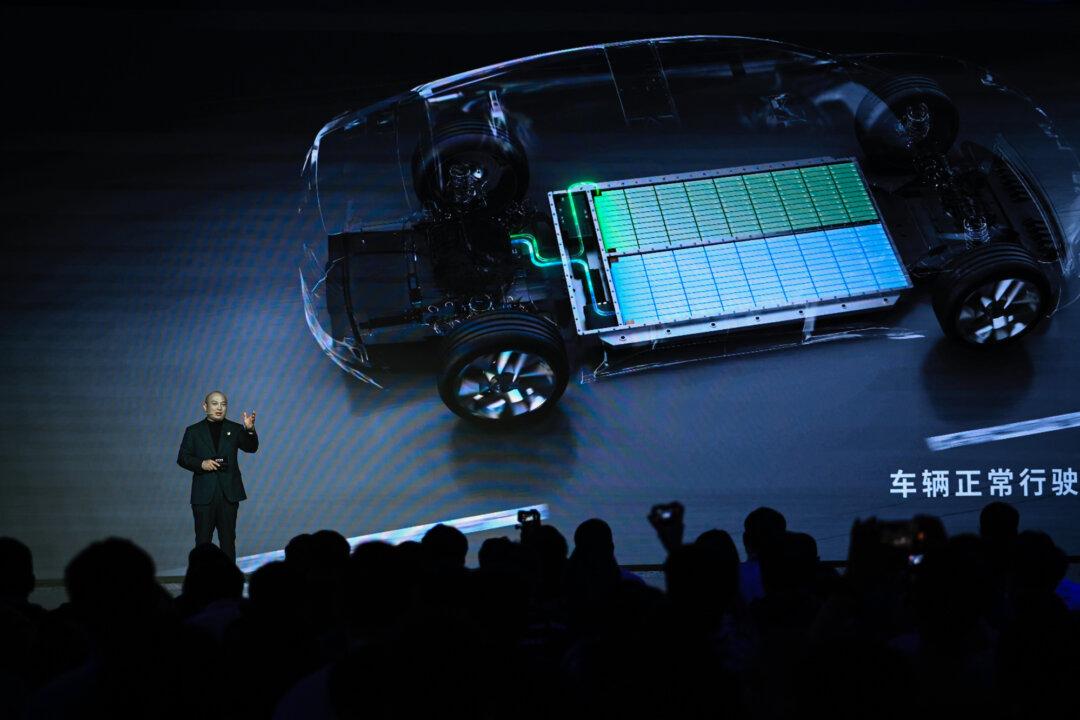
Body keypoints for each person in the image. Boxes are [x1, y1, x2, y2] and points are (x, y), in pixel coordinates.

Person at [176, 391, 258, 560]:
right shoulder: (193, 431)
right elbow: (182, 458)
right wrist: (201, 464)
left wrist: (250, 430)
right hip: (203, 495)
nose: (219, 408)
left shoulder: (235, 429)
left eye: (223, 404)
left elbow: (251, 448)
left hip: (228, 495)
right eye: (214, 404)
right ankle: (202, 581)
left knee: (228, 541)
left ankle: (228, 582)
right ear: (205, 407)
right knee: (203, 542)